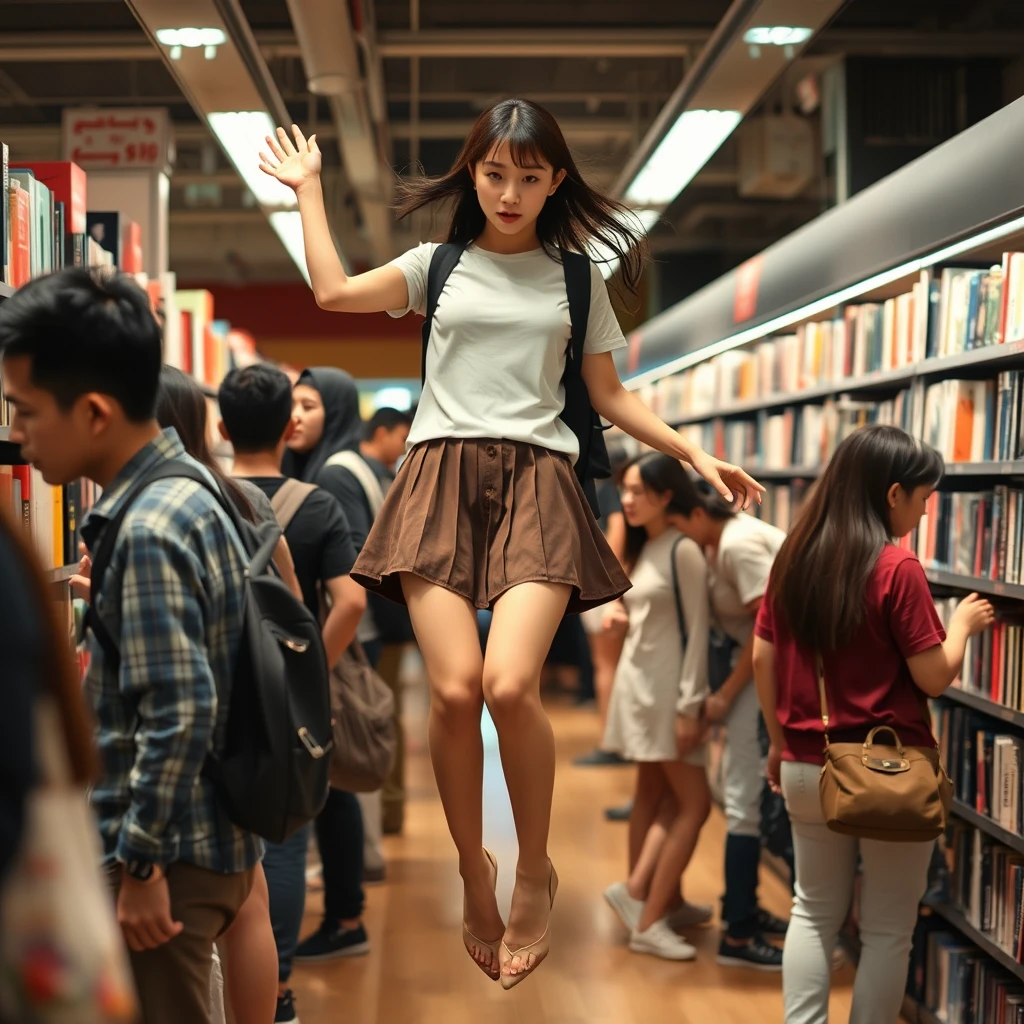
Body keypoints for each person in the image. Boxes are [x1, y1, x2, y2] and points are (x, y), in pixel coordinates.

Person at [259, 98, 762, 987]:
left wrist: (693, 452)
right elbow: (333, 293)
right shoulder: (437, 265)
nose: (510, 191)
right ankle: (472, 866)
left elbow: (608, 395)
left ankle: (534, 862)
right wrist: (308, 191)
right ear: (473, 172)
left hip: (538, 479)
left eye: (530, 177)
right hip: (438, 479)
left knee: (507, 681)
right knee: (454, 691)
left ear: (555, 181)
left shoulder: (576, 280)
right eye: (495, 173)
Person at [0, 268, 259, 1024]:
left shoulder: (147, 528)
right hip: (199, 839)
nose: (17, 434)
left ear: (93, 412)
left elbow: (180, 709)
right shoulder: (188, 488)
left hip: (166, 859)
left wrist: (142, 864)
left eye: (26, 412)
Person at [753, 425, 994, 1024]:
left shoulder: (795, 556)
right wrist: (961, 626)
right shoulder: (896, 566)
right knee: (888, 931)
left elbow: (762, 655)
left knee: (812, 911)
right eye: (921, 496)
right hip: (891, 774)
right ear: (891, 494)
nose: (926, 507)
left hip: (809, 762)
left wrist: (781, 742)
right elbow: (933, 676)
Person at [218, 363, 366, 1024]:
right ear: (290, 428)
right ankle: (275, 995)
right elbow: (353, 601)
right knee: (280, 843)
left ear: (219, 428)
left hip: (217, 689)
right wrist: (307, 674)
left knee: (219, 847)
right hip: (284, 703)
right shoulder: (318, 504)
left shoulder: (202, 494)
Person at [670, 473, 789, 969]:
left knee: (744, 798)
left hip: (770, 684)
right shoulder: (724, 541)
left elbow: (770, 636)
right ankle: (745, 914)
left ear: (700, 515)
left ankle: (737, 933)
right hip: (757, 682)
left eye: (679, 523)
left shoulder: (738, 546)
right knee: (743, 796)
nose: (677, 536)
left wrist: (722, 696)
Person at [281, 367, 381, 953]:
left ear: (336, 412)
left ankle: (346, 919)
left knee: (333, 782)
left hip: (334, 641)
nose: (295, 415)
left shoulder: (334, 476)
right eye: (291, 403)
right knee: (330, 780)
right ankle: (346, 913)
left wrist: (312, 664)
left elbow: (355, 573)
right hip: (333, 638)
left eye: (310, 405)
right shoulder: (332, 465)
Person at [600, 454, 713, 961]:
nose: (627, 500)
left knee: (662, 795)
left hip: (666, 693)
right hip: (650, 691)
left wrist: (689, 704)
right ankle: (647, 913)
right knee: (690, 802)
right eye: (624, 490)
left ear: (667, 495)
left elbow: (697, 633)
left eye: (637, 491)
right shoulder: (655, 547)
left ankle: (653, 896)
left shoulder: (680, 550)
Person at [359, 406, 415, 836]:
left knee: (387, 710)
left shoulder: (383, 475)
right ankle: (387, 811)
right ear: (381, 432)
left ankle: (390, 812)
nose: (405, 445)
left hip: (389, 622)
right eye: (401, 435)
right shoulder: (361, 476)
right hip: (381, 620)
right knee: (384, 711)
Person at [575, 445, 629, 767]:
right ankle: (612, 741)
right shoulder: (608, 490)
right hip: (606, 588)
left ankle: (610, 740)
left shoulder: (583, 488)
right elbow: (617, 537)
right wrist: (616, 587)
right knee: (610, 666)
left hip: (590, 584)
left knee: (604, 665)